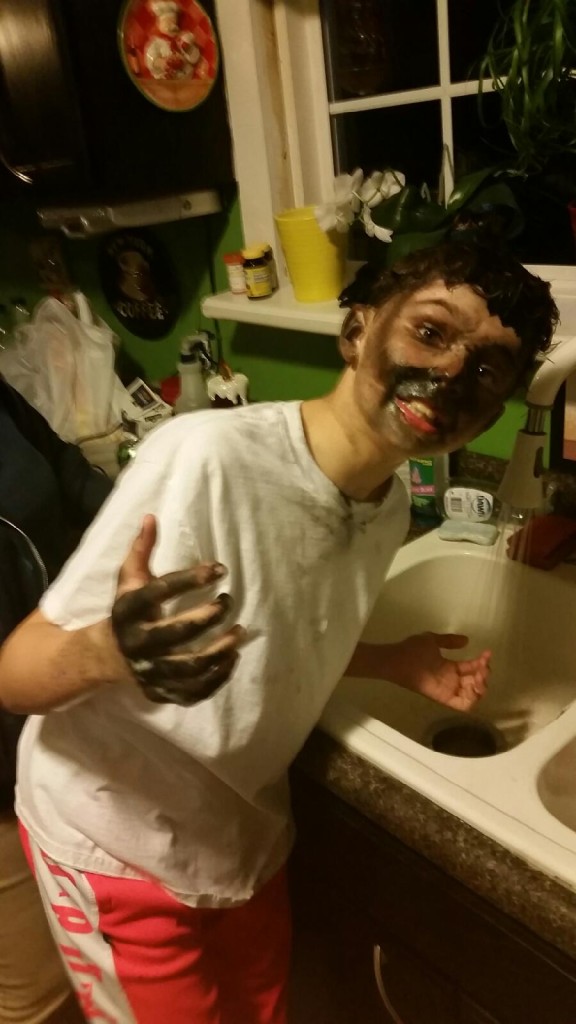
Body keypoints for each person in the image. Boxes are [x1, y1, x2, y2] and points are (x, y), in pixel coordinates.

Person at [0, 241, 558, 1024]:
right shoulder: (205, 458)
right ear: (358, 330)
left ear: (492, 413)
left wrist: (391, 662)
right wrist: (106, 652)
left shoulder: (388, 505)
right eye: (431, 333)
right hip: (116, 840)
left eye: (489, 370)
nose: (451, 377)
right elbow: (15, 672)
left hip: (242, 838)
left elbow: (281, 628)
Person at [0, 375, 112, 1024]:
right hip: (2, 774)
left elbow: (67, 473)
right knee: (39, 992)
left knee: (88, 963)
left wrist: (157, 513)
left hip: (59, 721)